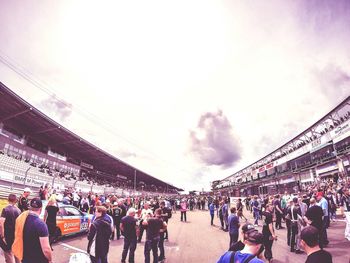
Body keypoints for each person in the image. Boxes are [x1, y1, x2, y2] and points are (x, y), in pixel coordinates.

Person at [17, 198, 52, 263]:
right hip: (38, 259)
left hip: (25, 258)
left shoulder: (22, 219)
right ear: (41, 209)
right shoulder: (41, 224)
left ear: (30, 207)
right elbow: (46, 249)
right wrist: (50, 259)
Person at [0, 194, 21, 263]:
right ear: (15, 200)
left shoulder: (5, 209)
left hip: (7, 235)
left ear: (8, 199)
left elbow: (1, 223)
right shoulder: (19, 210)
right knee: (15, 253)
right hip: (15, 235)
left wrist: (2, 235)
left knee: (8, 253)